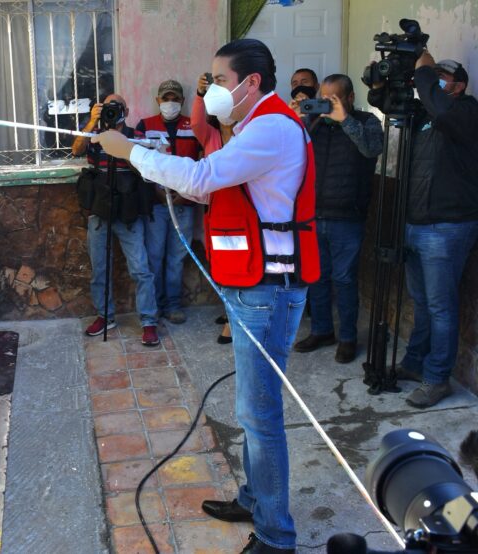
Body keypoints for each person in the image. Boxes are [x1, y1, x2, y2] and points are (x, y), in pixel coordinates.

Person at [93, 39, 320, 554]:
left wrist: (129, 151)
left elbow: (200, 175)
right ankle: (254, 498)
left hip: (268, 290)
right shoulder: (254, 127)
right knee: (252, 409)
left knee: (260, 417)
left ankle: (276, 537)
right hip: (252, 286)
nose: (212, 89)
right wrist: (146, 154)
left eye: (218, 80)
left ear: (251, 83)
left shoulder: (271, 129)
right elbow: (207, 188)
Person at [394, 55, 478, 408]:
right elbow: (389, 105)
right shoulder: (428, 115)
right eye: (435, 76)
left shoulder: (466, 113)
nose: (436, 82)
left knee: (441, 307)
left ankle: (437, 378)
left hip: (447, 225)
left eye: (443, 77)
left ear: (458, 85)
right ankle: (415, 363)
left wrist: (423, 72)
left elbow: (442, 110)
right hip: (415, 222)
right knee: (423, 302)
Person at [293, 74, 383, 363]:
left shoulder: (367, 122)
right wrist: (295, 117)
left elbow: (371, 149)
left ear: (349, 98)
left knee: (344, 279)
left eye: (334, 98)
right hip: (313, 215)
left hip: (348, 216)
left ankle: (347, 338)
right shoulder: (314, 124)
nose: (327, 103)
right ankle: (321, 330)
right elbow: (289, 151)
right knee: (316, 278)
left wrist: (345, 120)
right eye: (324, 97)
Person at [71, 94, 161, 346]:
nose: (113, 111)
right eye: (108, 107)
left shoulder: (135, 136)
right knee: (99, 269)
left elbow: (147, 169)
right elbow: (75, 149)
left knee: (141, 269)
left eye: (117, 107)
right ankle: (105, 316)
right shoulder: (95, 134)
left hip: (128, 212)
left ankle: (148, 322)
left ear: (126, 110)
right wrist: (92, 122)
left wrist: (123, 147)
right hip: (100, 209)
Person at [136, 80, 201, 324]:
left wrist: (185, 195)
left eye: (174, 98)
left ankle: (173, 305)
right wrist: (156, 193)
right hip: (157, 205)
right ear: (158, 100)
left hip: (184, 204)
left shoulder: (194, 126)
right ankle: (156, 306)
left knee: (176, 258)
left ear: (182, 101)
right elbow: (139, 162)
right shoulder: (145, 126)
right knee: (154, 256)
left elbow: (204, 162)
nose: (169, 102)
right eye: (165, 98)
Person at [192, 72, 234, 344]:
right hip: (215, 208)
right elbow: (196, 121)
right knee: (217, 261)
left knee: (234, 263)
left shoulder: (248, 133)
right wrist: (199, 94)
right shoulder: (211, 136)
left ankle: (233, 320)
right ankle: (230, 309)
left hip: (239, 212)